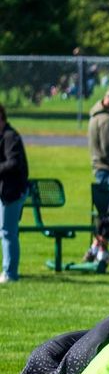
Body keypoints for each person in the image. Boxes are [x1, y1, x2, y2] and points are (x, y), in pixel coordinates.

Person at [0, 103, 29, 284]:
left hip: (12, 192)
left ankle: (10, 273)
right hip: (5, 192)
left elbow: (13, 164)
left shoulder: (10, 137)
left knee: (8, 232)